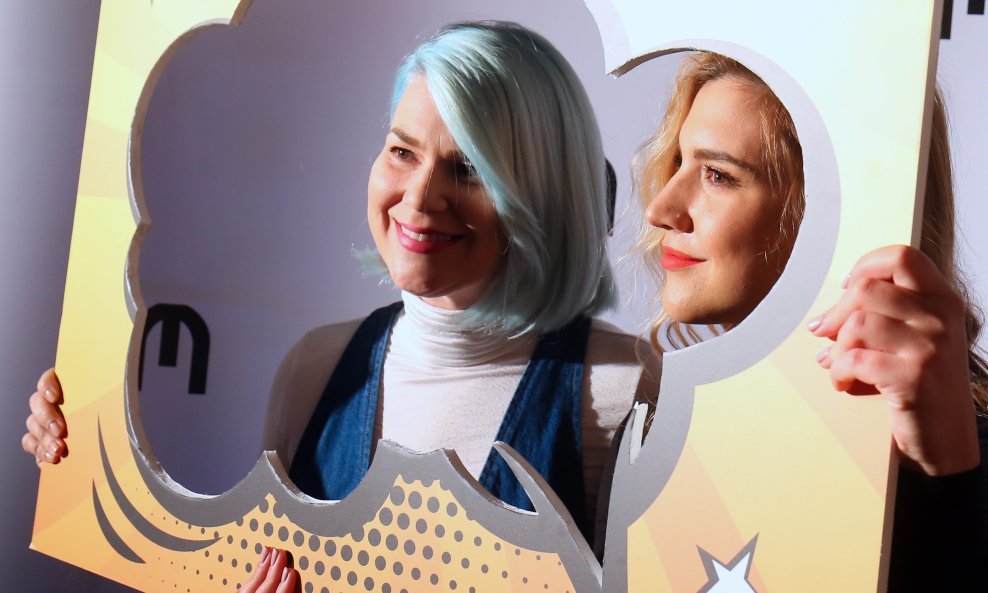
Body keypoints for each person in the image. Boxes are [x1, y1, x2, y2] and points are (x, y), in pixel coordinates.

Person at [22, 21, 659, 590]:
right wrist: (81, 441)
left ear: (543, 196)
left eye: (468, 169)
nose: (419, 198)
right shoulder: (317, 367)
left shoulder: (625, 391)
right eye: (403, 151)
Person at [636, 51, 987, 591]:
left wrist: (948, 478)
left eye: (717, 175)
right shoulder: (657, 427)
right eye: (678, 161)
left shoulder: (963, 450)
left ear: (834, 209)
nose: (660, 208)